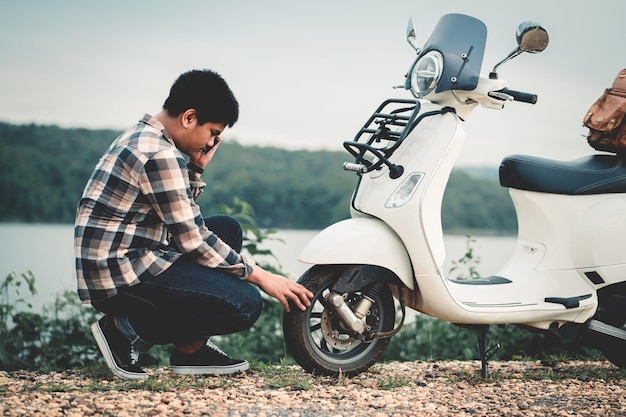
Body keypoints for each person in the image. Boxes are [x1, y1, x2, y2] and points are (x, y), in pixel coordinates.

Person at [74, 69, 313, 380]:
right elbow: (193, 239)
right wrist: (261, 276)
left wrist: (196, 168)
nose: (213, 141)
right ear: (189, 118)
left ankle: (191, 350)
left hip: (132, 255)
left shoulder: (145, 137)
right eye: (213, 132)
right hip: (118, 275)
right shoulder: (158, 153)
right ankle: (123, 330)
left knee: (226, 229)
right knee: (244, 303)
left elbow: (180, 216)